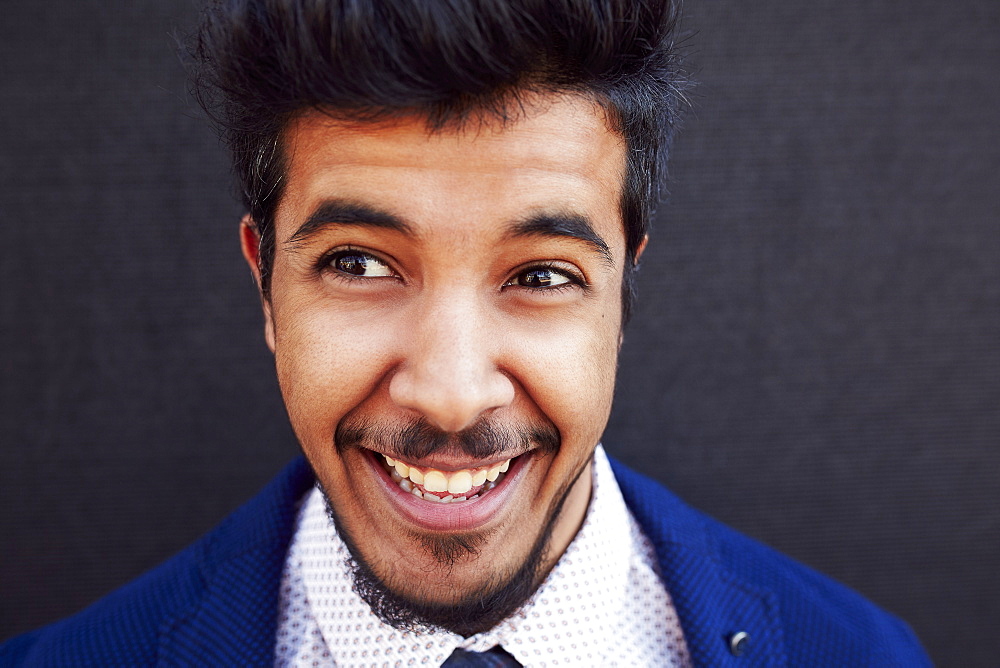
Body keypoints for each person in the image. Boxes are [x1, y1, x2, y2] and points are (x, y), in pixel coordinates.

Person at [1, 0, 931, 665]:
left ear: (623, 289)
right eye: (358, 264)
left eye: (539, 275)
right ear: (265, 286)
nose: (449, 393)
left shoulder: (864, 655)